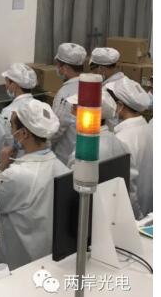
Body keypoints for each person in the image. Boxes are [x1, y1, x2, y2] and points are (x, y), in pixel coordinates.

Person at [0, 99, 70, 270]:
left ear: (23, 133)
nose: (11, 131)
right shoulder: (61, 168)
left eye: (12, 126)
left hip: (20, 261)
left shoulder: (17, 175)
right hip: (47, 257)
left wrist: (0, 166)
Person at [107, 77, 153, 219]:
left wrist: (137, 217)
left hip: (133, 215)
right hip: (149, 209)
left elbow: (126, 189)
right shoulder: (148, 128)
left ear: (120, 105)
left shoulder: (122, 139)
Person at [65, 90, 129, 168]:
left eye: (75, 109)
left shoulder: (88, 150)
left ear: (89, 116)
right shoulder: (114, 140)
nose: (71, 112)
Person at [50, 42, 87, 164]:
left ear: (65, 68)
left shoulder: (65, 94)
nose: (57, 69)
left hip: (66, 156)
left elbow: (57, 128)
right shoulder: (90, 87)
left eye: (58, 65)